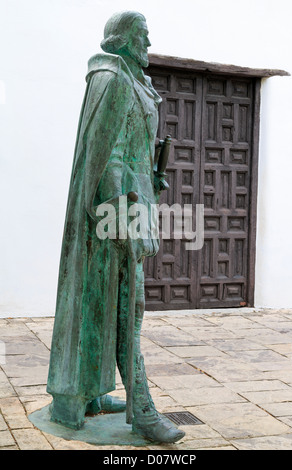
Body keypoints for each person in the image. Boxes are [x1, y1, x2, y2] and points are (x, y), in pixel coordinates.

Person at [46, 11, 185, 444]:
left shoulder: (135, 80)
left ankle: (80, 397)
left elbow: (131, 150)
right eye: (142, 33)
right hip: (113, 214)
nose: (149, 40)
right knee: (130, 308)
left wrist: (152, 177)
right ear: (123, 38)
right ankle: (142, 409)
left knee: (107, 307)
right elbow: (104, 156)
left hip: (132, 205)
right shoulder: (110, 78)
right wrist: (122, 216)